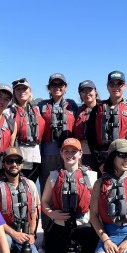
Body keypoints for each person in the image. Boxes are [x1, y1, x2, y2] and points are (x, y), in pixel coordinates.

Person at [41, 138, 99, 253]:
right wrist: (51, 213)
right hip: (60, 223)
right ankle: (67, 252)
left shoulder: (91, 176)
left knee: (92, 237)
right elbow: (44, 202)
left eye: (74, 151)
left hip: (82, 224)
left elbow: (97, 204)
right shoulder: (53, 176)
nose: (70, 155)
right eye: (66, 151)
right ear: (61, 154)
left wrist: (93, 220)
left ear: (80, 153)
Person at [0, 147, 43, 253]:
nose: (14, 164)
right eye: (9, 161)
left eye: (17, 161)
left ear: (22, 164)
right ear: (3, 164)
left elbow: (34, 211)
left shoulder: (30, 185)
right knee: (6, 240)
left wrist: (31, 234)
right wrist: (13, 234)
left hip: (24, 234)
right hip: (4, 234)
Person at [38, 73, 78, 226]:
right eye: (53, 85)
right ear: (49, 88)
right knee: (47, 191)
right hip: (47, 155)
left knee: (67, 188)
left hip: (68, 154)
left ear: (65, 87)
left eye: (60, 84)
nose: (57, 87)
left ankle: (67, 227)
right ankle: (47, 228)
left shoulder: (72, 105)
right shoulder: (41, 106)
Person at [87, 71, 127, 171]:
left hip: (126, 157)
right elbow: (91, 136)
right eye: (112, 84)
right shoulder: (97, 108)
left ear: (125, 86)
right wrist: (99, 161)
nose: (115, 87)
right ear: (107, 86)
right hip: (103, 158)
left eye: (119, 84)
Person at [8, 78, 45, 182]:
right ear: (14, 93)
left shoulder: (38, 109)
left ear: (30, 91)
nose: (22, 91)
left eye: (24, 88)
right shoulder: (8, 111)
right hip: (17, 156)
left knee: (30, 185)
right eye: (18, 89)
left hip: (35, 156)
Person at [74, 80, 100, 168]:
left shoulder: (104, 108)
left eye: (89, 90)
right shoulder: (78, 111)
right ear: (80, 95)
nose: (87, 93)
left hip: (100, 152)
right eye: (83, 91)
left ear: (95, 92)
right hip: (84, 153)